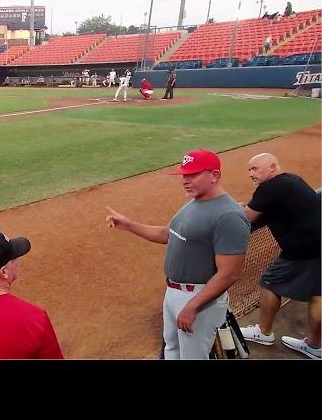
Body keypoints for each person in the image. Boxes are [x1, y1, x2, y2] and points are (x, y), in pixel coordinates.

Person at [106, 149, 251, 359]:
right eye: (184, 174)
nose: (185, 180)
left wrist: (192, 306)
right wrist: (129, 225)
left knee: (193, 356)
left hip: (200, 298)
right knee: (171, 350)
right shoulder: (195, 203)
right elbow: (167, 234)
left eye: (193, 174)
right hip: (174, 293)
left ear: (214, 175)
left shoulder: (229, 216)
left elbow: (229, 273)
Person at [239, 153, 321, 359]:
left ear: (272, 167)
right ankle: (314, 345)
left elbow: (245, 219)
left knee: (269, 282)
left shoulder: (270, 188)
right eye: (249, 169)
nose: (250, 174)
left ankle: (263, 331)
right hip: (317, 243)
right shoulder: (292, 180)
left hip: (301, 250)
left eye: (255, 169)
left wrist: (234, 207)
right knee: (318, 295)